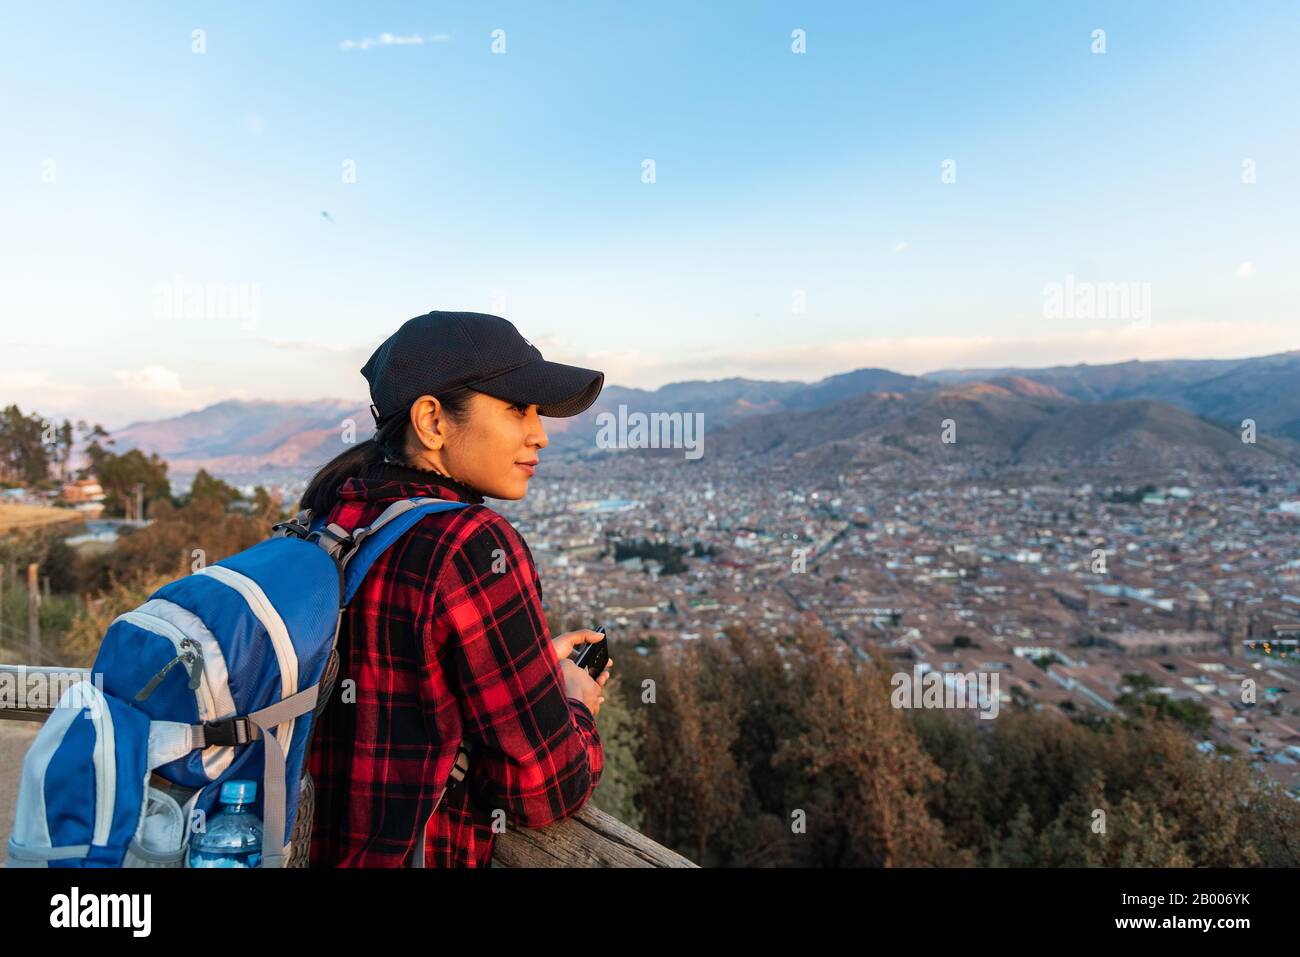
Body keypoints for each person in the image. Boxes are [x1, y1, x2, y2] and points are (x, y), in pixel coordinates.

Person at [304, 311, 611, 867]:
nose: (539, 433)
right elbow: (543, 788)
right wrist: (572, 701)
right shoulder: (470, 545)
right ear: (432, 421)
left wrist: (530, 668)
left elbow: (397, 680)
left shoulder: (330, 516)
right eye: (518, 408)